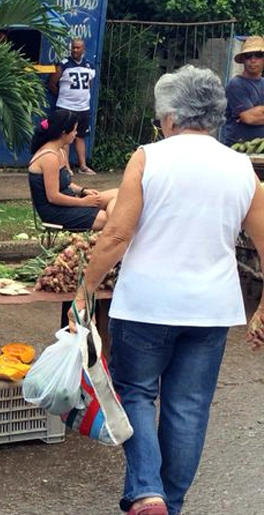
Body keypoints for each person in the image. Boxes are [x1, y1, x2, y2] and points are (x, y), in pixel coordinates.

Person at [72, 65, 264, 515]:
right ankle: (169, 505)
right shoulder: (242, 168)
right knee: (189, 407)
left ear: (172, 116)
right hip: (212, 311)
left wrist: (85, 290)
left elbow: (117, 234)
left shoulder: (150, 157)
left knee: (136, 393)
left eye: (161, 116)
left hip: (147, 305)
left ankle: (146, 491)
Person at [28, 109, 117, 231]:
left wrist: (84, 191)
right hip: (56, 212)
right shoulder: (49, 157)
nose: (76, 134)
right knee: (113, 219)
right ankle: (115, 232)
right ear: (64, 133)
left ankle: (114, 228)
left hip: (70, 202)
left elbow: (67, 183)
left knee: (119, 194)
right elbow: (53, 197)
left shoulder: (60, 151)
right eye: (74, 130)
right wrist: (84, 202)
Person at [48, 38, 97, 175]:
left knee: (80, 136)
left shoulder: (90, 66)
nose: (75, 50)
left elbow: (89, 85)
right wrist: (62, 96)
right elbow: (52, 84)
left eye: (78, 48)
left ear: (83, 49)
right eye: (73, 48)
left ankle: (83, 166)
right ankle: (66, 167)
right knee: (65, 137)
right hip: (66, 107)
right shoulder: (64, 65)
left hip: (83, 107)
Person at [224, 35, 264, 146]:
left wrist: (257, 111)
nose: (253, 60)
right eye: (248, 56)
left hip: (260, 150)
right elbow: (250, 118)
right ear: (243, 60)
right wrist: (251, 114)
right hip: (238, 148)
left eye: (258, 55)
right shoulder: (236, 84)